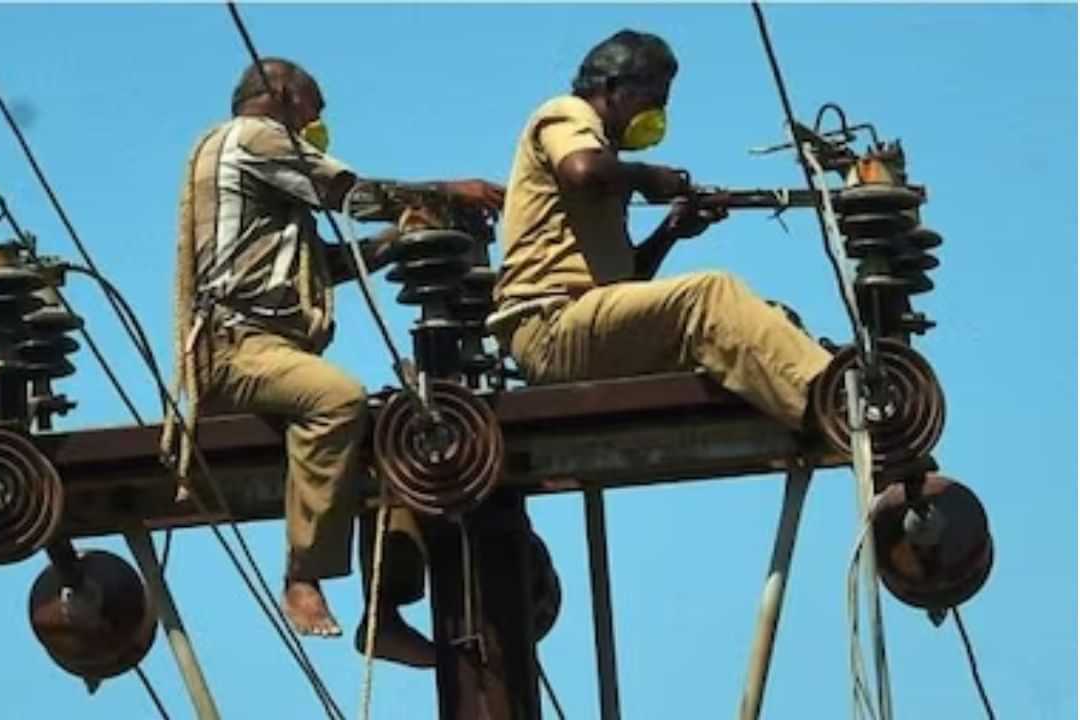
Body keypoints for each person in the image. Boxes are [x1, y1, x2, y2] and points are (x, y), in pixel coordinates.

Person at [162, 57, 503, 664]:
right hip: (236, 348)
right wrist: (450, 192)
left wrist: (400, 238)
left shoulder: (263, 187)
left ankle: (386, 611)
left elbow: (327, 264)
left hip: (272, 349)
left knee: (397, 428)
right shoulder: (254, 137)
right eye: (315, 111)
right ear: (285, 95)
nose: (319, 126)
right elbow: (351, 193)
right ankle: (303, 574)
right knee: (338, 400)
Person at [489, 29, 831, 433]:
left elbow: (624, 284)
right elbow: (580, 169)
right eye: (652, 100)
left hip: (584, 328)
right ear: (613, 88)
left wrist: (671, 230)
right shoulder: (568, 113)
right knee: (710, 295)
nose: (657, 115)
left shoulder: (607, 170)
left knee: (768, 323)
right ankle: (837, 402)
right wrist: (647, 176)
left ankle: (819, 398)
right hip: (550, 329)